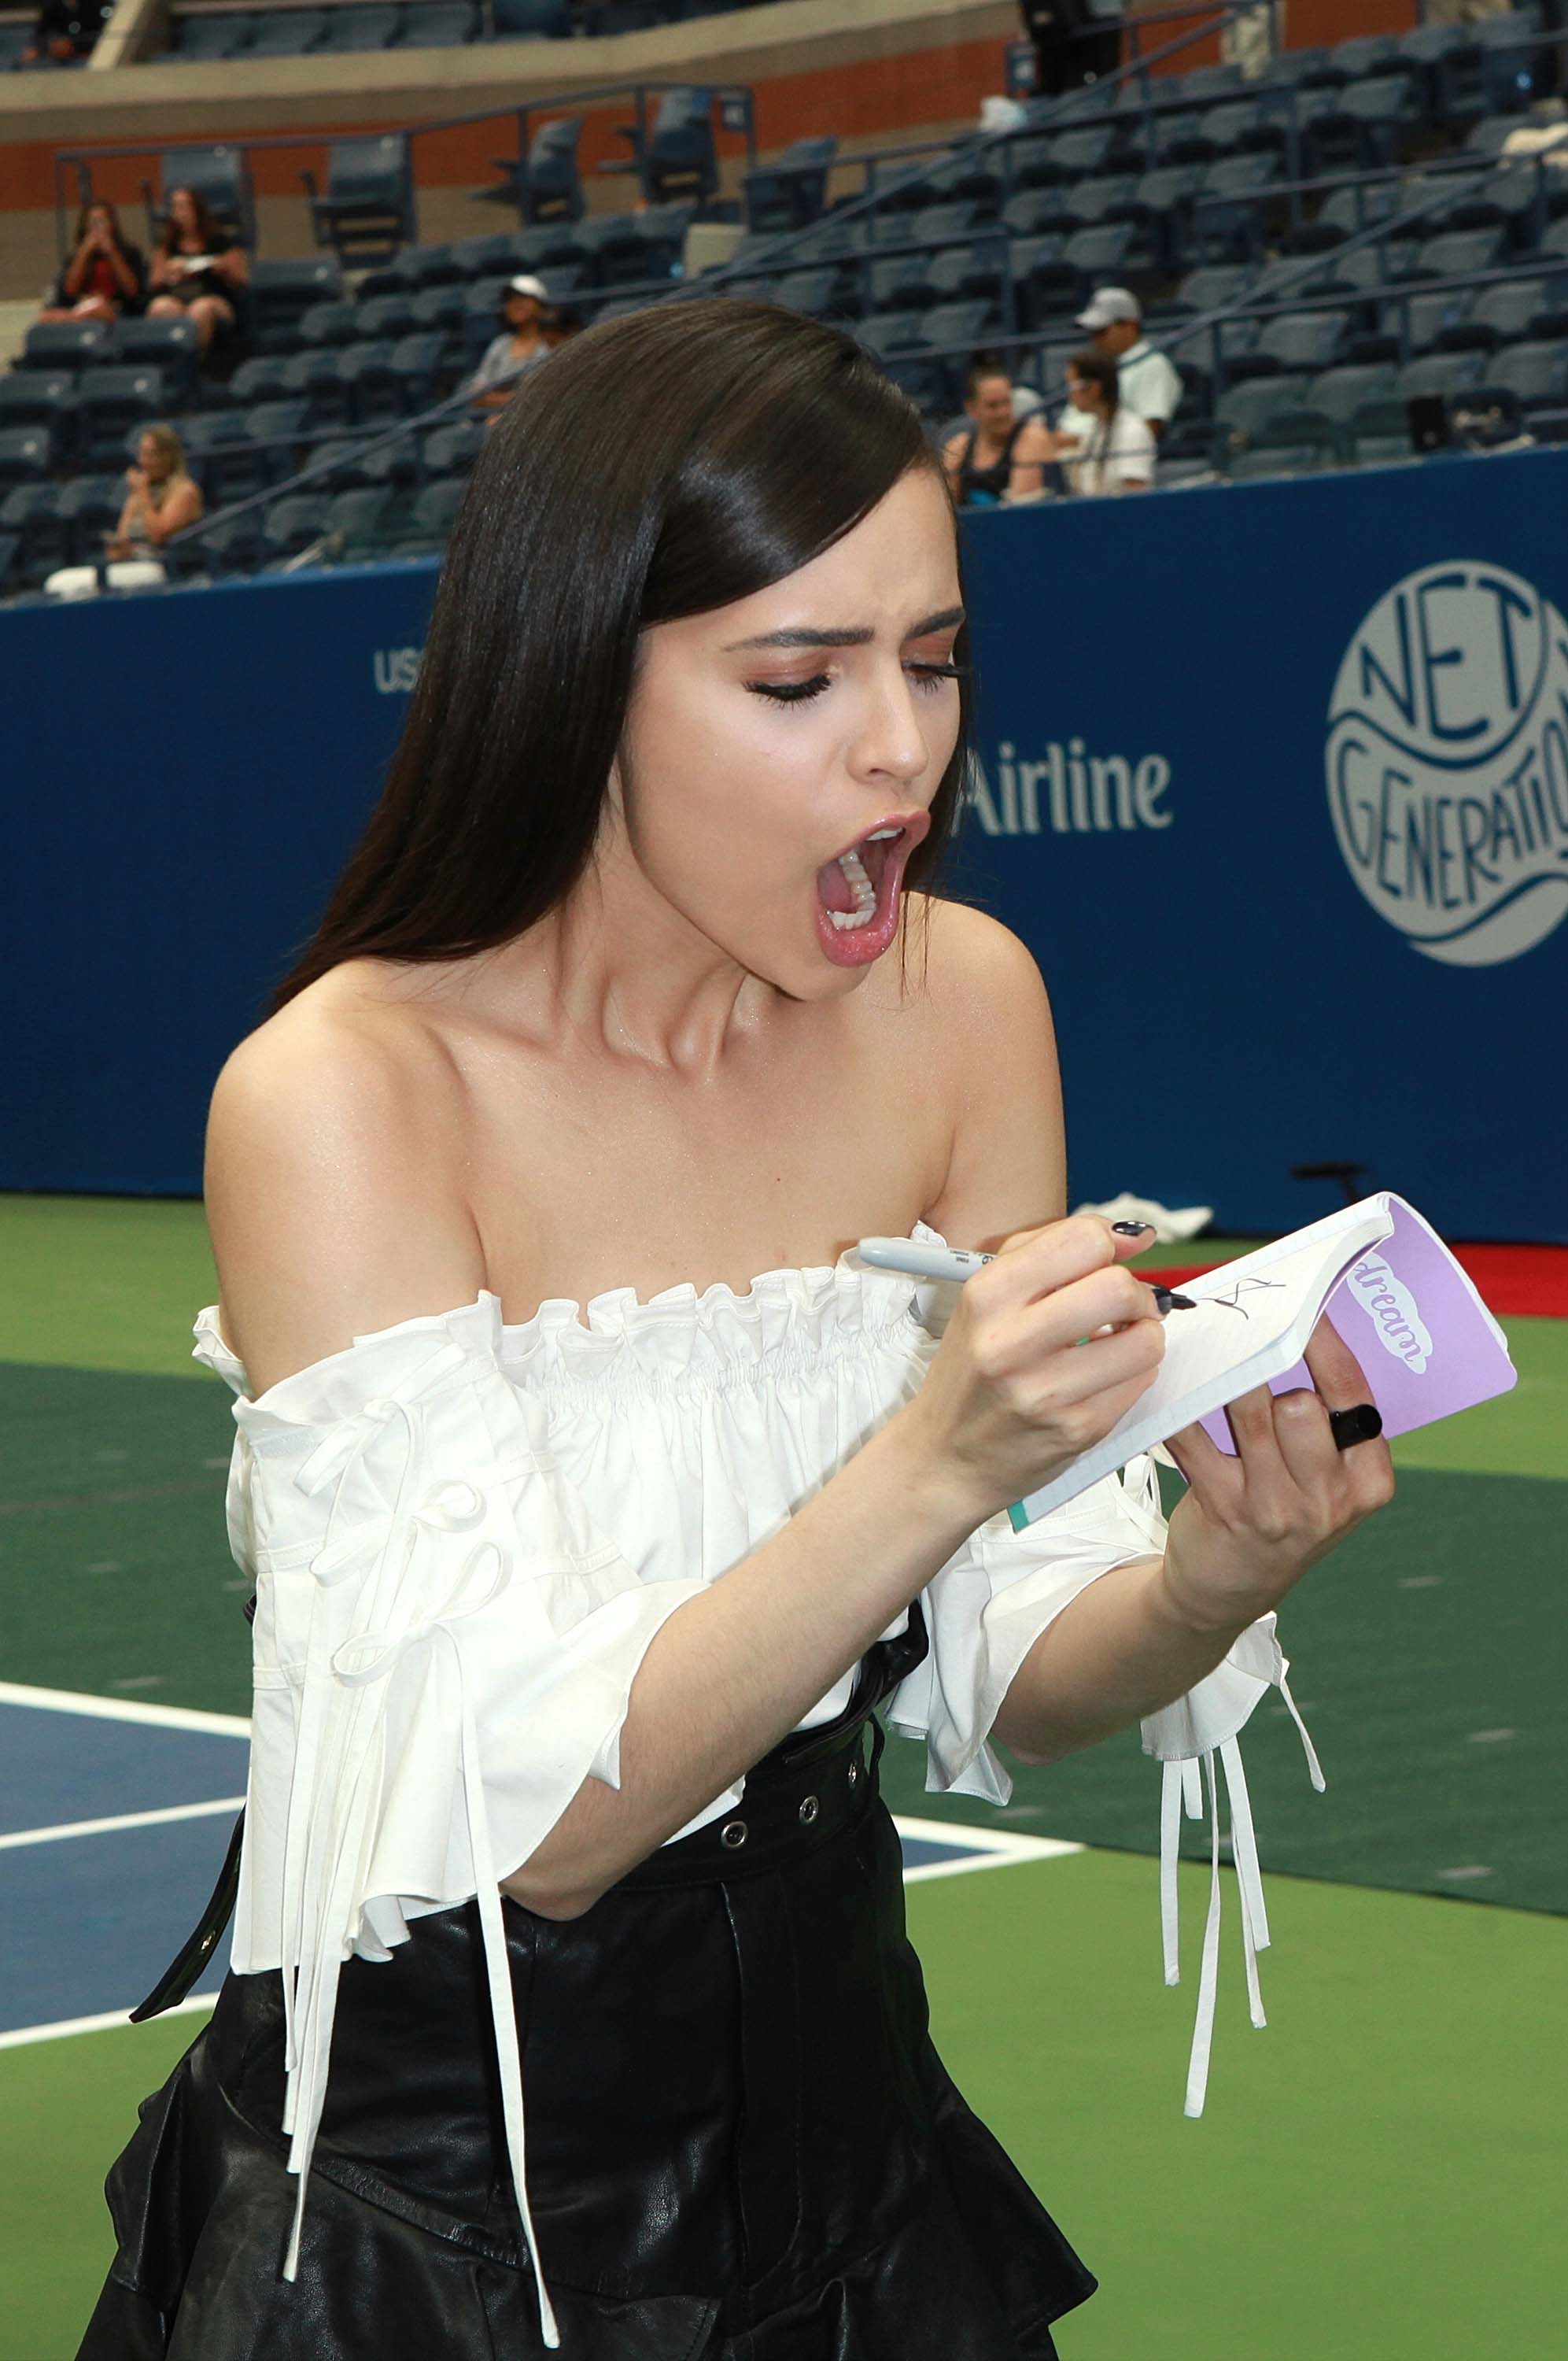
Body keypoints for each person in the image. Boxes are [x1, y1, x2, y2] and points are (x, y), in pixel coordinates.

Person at [76, 298, 1394, 2361]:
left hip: (848, 2158)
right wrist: (935, 1455)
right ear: (579, 686)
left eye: (933, 658)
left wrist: (1206, 1582)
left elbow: (1017, 1655)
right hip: (438, 2206)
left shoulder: (966, 1007)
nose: (901, 744)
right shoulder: (346, 1101)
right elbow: (542, 1827)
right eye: (800, 675)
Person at [42, 421, 203, 597]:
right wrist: (118, 548)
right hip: (130, 563)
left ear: (169, 457)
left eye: (151, 455)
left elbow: (159, 536)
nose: (144, 462)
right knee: (59, 582)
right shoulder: (138, 494)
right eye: (142, 454)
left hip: (161, 566)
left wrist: (142, 495)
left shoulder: (184, 491)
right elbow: (123, 537)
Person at [146, 184, 249, 359]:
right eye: (175, 207)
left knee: (200, 309)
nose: (180, 213)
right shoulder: (167, 245)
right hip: (178, 297)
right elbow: (155, 282)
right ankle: (173, 362)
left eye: (184, 206)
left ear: (197, 210)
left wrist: (221, 268)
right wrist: (171, 273)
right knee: (161, 307)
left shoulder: (220, 241)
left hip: (213, 297)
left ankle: (194, 362)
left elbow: (241, 279)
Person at [942, 357, 1056, 505]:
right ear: (971, 409)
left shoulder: (1033, 438)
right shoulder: (958, 447)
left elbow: (1019, 509)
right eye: (992, 406)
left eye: (1006, 402)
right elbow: (946, 507)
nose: (1003, 412)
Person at [1075, 286, 1182, 441]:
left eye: (1101, 331)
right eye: (1092, 332)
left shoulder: (1152, 365)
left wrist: (1084, 443)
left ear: (1130, 326)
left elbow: (1148, 430)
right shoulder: (1097, 367)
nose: (1095, 339)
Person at [1053, 349, 1157, 495]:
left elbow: (1136, 498)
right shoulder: (1092, 431)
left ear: (1094, 388)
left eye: (1072, 385)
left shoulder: (1132, 431)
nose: (1070, 394)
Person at [39, 199, 146, 323]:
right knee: (46, 317)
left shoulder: (130, 253)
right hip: (82, 307)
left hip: (116, 309)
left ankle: (75, 318)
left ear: (112, 224)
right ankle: (76, 318)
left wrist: (112, 252)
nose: (97, 228)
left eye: (101, 222)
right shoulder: (76, 257)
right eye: (93, 223)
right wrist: (84, 253)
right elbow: (69, 290)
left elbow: (132, 290)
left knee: (98, 310)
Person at [465, 272, 553, 420]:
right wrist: (515, 399)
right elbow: (477, 396)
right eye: (510, 300)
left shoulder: (551, 343)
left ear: (540, 305)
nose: (515, 304)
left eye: (523, 298)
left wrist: (499, 399)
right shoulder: (500, 344)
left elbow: (546, 396)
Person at [20, 0, 110, 62]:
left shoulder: (95, 4)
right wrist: (38, 48)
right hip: (62, 58)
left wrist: (74, 47)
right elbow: (41, 32)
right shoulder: (53, 5)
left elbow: (100, 33)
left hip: (89, 55)